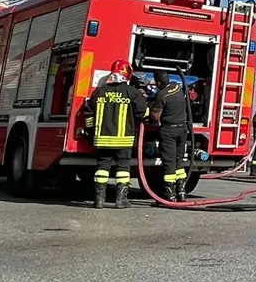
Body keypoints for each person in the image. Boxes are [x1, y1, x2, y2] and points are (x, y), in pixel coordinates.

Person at [80, 60, 148, 209]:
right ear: (127, 74)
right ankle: (120, 200)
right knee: (123, 168)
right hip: (123, 140)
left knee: (102, 167)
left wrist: (91, 131)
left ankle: (98, 200)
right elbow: (143, 112)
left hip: (102, 139)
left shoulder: (99, 91)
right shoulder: (132, 92)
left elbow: (88, 113)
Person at [150, 70, 190, 202]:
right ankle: (182, 192)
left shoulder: (161, 95)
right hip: (182, 129)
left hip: (169, 132)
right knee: (179, 161)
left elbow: (155, 117)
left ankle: (170, 194)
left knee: (169, 163)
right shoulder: (177, 87)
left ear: (158, 82)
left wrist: (150, 109)